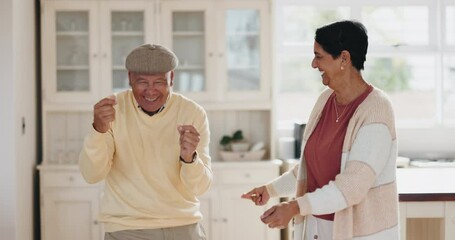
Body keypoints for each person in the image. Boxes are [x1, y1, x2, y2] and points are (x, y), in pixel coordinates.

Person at [242, 20, 399, 240]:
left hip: (358, 233)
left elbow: (353, 186)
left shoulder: (377, 109)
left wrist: (295, 207)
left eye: (319, 56)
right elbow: (310, 169)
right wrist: (271, 190)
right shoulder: (325, 100)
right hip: (317, 229)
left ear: (344, 58)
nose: (313, 64)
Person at [79, 43, 212, 240]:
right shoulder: (111, 110)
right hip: (127, 228)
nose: (150, 91)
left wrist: (189, 158)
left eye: (159, 82)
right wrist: (98, 130)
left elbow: (200, 187)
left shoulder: (192, 112)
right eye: (142, 82)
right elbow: (92, 175)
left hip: (184, 227)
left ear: (171, 79)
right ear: (130, 79)